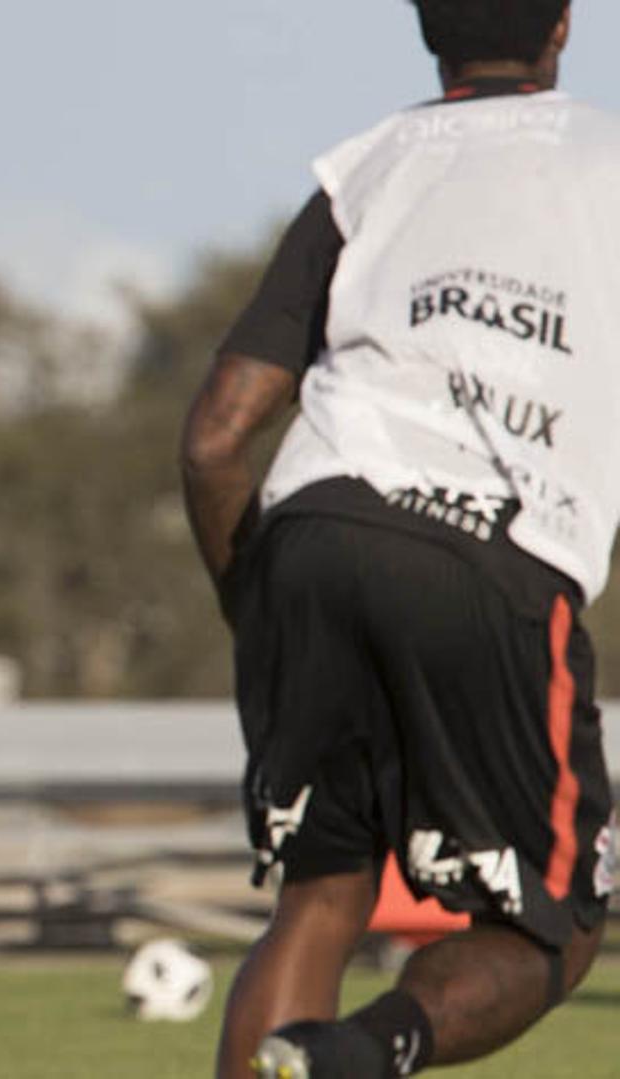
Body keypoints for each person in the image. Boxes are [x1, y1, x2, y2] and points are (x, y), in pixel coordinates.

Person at [181, 3, 618, 1076]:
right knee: (551, 925)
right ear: (563, 29)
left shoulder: (367, 167)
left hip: (312, 527)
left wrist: (260, 614)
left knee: (323, 893)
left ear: (430, 33)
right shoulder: (607, 156)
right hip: (491, 548)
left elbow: (215, 439)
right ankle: (360, 1054)